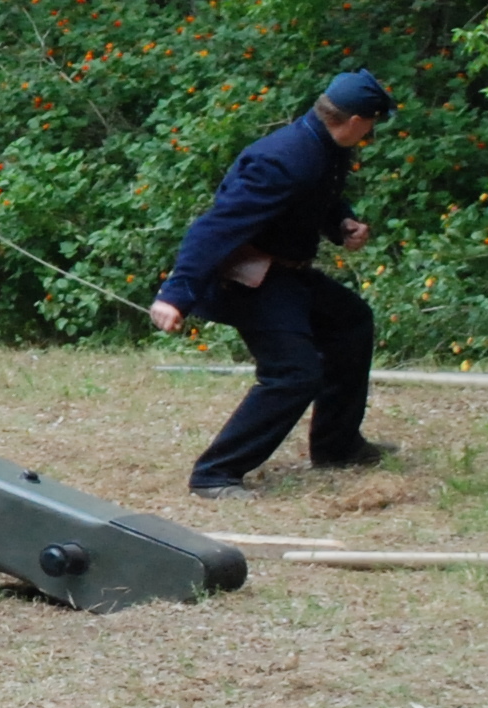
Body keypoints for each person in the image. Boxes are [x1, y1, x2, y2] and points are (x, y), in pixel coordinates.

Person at [143, 69, 400, 498]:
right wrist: (176, 295)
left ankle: (336, 446)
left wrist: (341, 222)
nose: (371, 132)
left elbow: (314, 199)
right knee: (295, 373)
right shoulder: (282, 158)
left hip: (289, 273)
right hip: (249, 279)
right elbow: (216, 227)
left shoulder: (323, 146)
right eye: (372, 124)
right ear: (356, 121)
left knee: (351, 321)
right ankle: (215, 475)